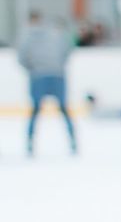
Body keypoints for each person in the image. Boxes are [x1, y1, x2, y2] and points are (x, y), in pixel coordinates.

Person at [17, 10, 77, 156]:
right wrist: (57, 66)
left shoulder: (27, 36)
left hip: (38, 76)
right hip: (57, 75)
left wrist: (34, 68)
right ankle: (73, 141)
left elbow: (22, 57)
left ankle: (30, 142)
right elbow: (67, 50)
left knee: (35, 110)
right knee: (63, 109)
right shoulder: (55, 34)